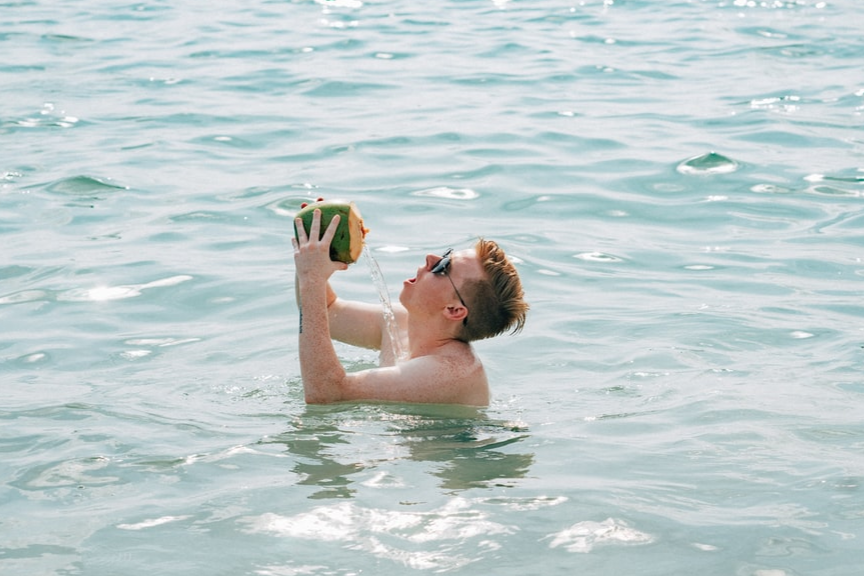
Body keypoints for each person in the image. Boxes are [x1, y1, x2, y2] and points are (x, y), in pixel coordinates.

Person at [292, 209, 528, 406]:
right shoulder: (400, 321)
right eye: (446, 254)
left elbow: (325, 393)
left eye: (443, 267)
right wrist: (316, 252)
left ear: (454, 310)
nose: (430, 258)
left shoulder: (448, 373)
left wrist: (311, 278)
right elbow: (327, 310)